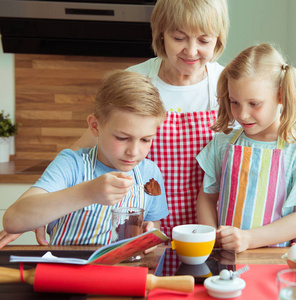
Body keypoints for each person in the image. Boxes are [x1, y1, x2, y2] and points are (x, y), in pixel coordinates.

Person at [66, 0, 230, 241]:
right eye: (179, 38)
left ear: (218, 39)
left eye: (204, 40)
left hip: (207, 227)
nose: (192, 50)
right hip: (142, 225)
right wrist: (42, 202)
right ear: (161, 34)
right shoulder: (136, 78)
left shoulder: (225, 85)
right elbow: (81, 150)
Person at [2, 70, 168, 248]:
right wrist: (88, 192)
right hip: (68, 274)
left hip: (126, 272)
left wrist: (147, 236)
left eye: (145, 139)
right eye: (122, 138)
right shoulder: (72, 164)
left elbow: (153, 225)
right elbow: (13, 220)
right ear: (95, 126)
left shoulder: (150, 174)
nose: (134, 152)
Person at [196, 43, 296, 253]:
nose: (242, 114)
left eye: (254, 104)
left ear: (280, 96)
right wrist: (211, 238)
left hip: (275, 259)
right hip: (225, 256)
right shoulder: (223, 143)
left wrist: (249, 239)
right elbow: (207, 197)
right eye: (234, 102)